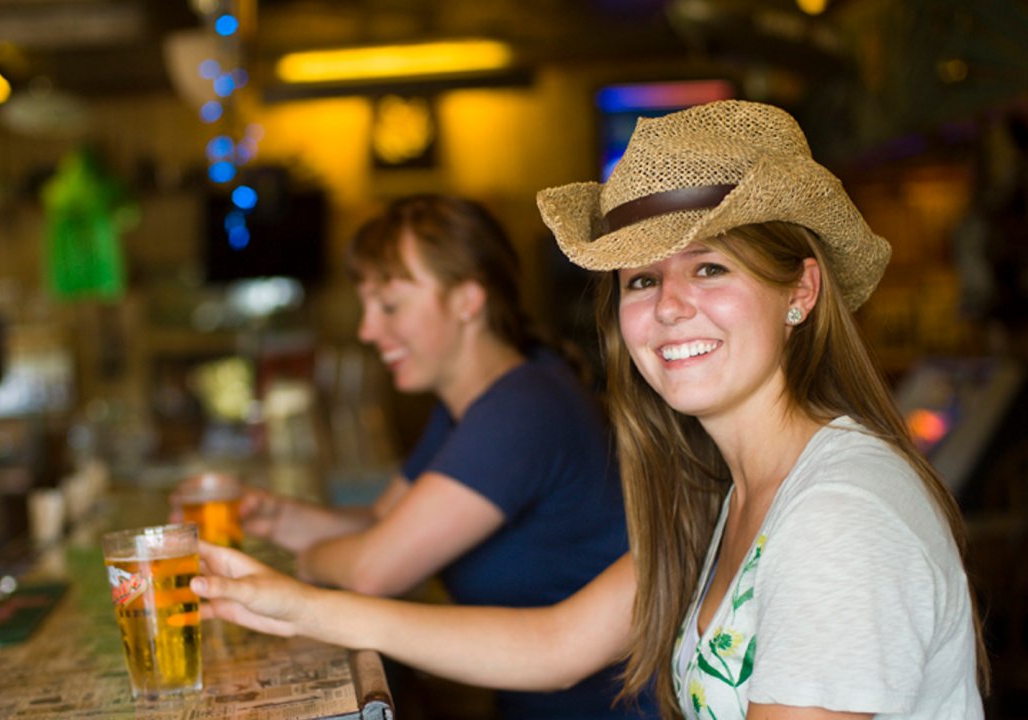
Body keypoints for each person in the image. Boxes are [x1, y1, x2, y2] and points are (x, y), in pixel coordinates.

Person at [191, 100, 989, 719]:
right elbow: (554, 643)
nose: (670, 306)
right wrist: (297, 605)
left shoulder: (839, 519)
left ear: (801, 292)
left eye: (709, 269)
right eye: (641, 280)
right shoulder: (720, 492)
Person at [226, 194, 649, 719]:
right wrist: (280, 519)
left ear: (468, 300)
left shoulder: (522, 409)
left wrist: (296, 567)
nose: (367, 330)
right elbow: (387, 523)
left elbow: (374, 570)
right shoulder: (476, 401)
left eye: (390, 305)